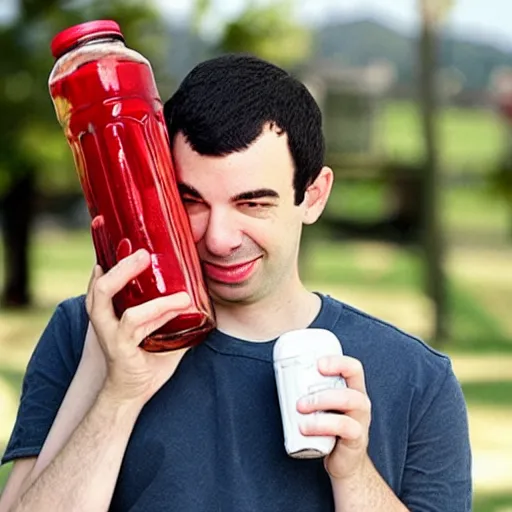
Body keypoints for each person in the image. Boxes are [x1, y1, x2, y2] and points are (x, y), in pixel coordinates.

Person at [0, 54, 471, 512]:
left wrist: (352, 473)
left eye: (253, 204)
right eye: (193, 202)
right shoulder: (89, 332)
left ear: (313, 196)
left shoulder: (417, 380)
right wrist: (118, 395)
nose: (220, 239)